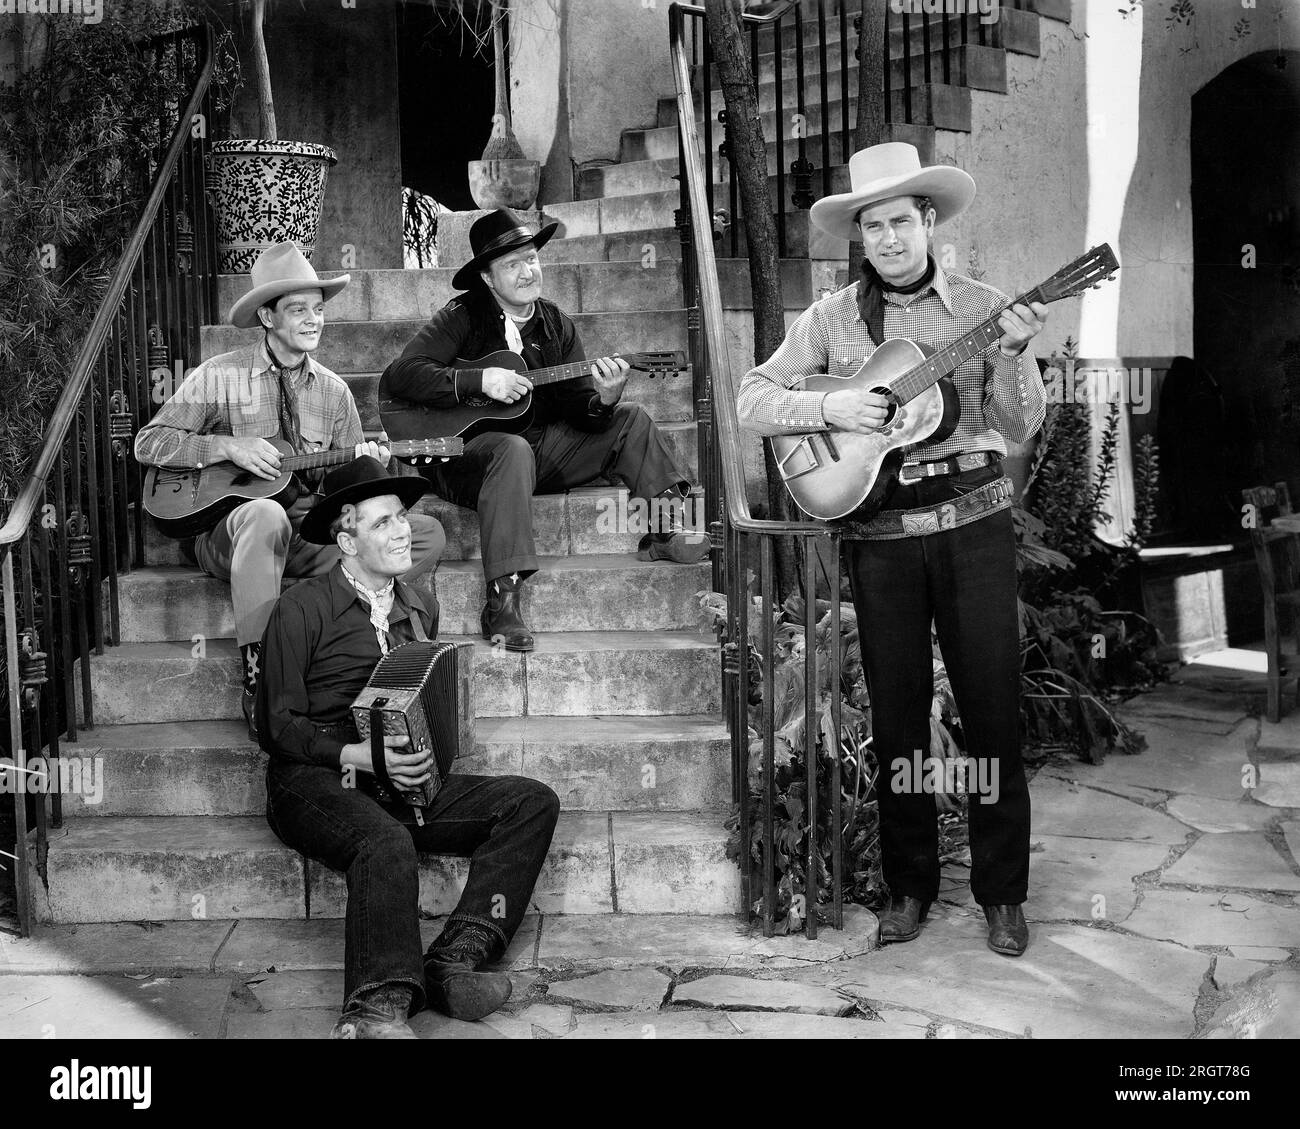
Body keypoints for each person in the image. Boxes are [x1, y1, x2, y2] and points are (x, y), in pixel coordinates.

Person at [737, 143, 1049, 957]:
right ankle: (910, 885)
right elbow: (752, 398)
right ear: (861, 235)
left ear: (929, 222)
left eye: (901, 221)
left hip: (971, 525)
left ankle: (1002, 894)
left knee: (990, 715)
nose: (888, 238)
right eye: (872, 225)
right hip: (877, 536)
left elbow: (1018, 426)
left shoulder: (985, 308)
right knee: (899, 716)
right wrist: (838, 404)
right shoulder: (833, 319)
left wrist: (1014, 354)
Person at [256, 456, 561, 1038]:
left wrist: (422, 757)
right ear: (345, 541)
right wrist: (360, 757)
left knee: (530, 802)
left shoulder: (419, 604)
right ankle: (375, 1010)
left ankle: (454, 961)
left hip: (394, 777)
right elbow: (276, 726)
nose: (401, 531)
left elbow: (421, 695)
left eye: (402, 517)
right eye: (381, 524)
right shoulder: (300, 609)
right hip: (315, 780)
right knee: (384, 841)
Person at [135, 242, 445, 737]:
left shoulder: (334, 391)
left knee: (424, 533)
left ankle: (333, 615)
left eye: (318, 310)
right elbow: (149, 443)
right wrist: (226, 447)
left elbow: (346, 495)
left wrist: (370, 469)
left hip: (308, 532)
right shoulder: (219, 376)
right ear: (266, 315)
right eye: (298, 309)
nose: (313, 320)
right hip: (229, 532)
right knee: (264, 514)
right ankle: (261, 675)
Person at [379, 208, 708, 653]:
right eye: (512, 264)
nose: (527, 270)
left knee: (631, 417)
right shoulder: (461, 315)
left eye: (531, 258)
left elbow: (577, 408)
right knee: (511, 448)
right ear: (489, 279)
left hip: (538, 452)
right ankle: (502, 600)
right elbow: (401, 377)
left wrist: (604, 399)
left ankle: (664, 530)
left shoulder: (555, 324)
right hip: (463, 457)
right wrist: (478, 381)